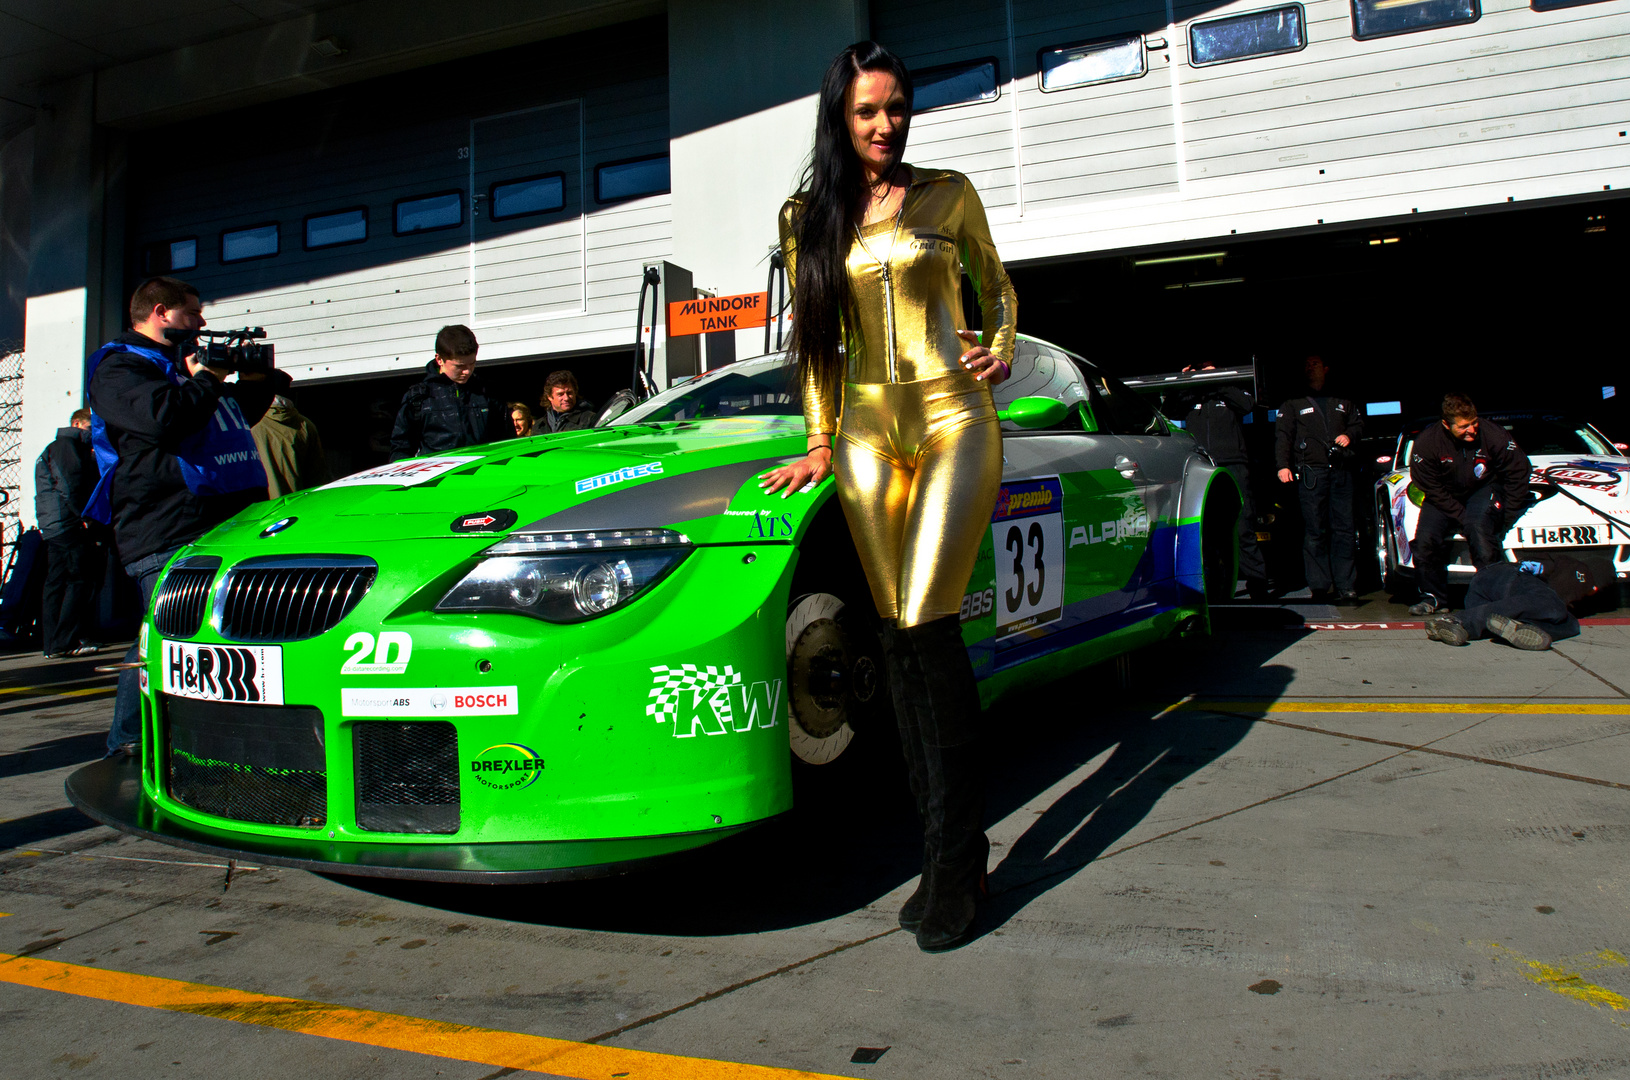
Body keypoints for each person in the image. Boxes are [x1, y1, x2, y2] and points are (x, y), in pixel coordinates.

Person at [759, 41, 1016, 953]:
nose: (885, 125)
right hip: (866, 432)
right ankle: (944, 851)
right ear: (841, 116)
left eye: (897, 107)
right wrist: (819, 443)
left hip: (954, 417)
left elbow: (999, 282)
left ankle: (957, 860)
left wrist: (1004, 344)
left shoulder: (948, 191)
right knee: (896, 640)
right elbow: (817, 344)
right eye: (868, 111)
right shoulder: (810, 216)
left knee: (929, 627)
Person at [87, 276, 288, 756]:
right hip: (164, 526)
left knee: (214, 636)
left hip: (220, 518)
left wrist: (256, 383)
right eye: (192, 314)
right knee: (167, 637)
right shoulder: (119, 368)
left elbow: (222, 417)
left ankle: (207, 741)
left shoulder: (180, 367)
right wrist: (207, 378)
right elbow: (165, 417)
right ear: (159, 312)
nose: (201, 323)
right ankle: (132, 744)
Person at [1407, 392, 1529, 616]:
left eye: (1474, 423)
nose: (1472, 430)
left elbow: (1518, 472)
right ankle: (1432, 598)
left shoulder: (1493, 434)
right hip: (1444, 494)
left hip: (1483, 488)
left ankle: (1492, 597)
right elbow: (1430, 486)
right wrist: (1461, 516)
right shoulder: (1427, 442)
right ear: (1446, 424)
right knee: (1425, 540)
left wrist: (1505, 517)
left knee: (1479, 528)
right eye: (1463, 426)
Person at [1168, 365, 1271, 601]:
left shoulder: (1229, 392)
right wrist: (1186, 381)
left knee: (1243, 526)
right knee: (1207, 530)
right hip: (1202, 468)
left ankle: (1258, 585)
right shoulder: (1192, 395)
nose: (1205, 375)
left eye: (1209, 371)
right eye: (1201, 371)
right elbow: (1170, 410)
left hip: (1234, 464)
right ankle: (1215, 588)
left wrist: (1221, 381)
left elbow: (1248, 405)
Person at [1275, 354, 1363, 602]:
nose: (1310, 366)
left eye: (1314, 363)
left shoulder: (1342, 398)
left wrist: (1348, 435)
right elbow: (1284, 435)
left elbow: (1359, 425)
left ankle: (1347, 585)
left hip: (1341, 470)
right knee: (1315, 530)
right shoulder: (1293, 401)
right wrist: (1283, 465)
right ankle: (1320, 586)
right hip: (1312, 472)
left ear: (1326, 368)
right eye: (1306, 363)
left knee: (1344, 529)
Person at [35, 408, 102, 658]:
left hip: (54, 523)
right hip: (67, 523)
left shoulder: (58, 447)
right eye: (89, 428)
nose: (92, 434)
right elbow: (70, 483)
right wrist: (84, 516)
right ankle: (65, 641)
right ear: (77, 424)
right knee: (78, 580)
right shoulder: (66, 446)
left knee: (57, 582)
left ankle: (54, 644)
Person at [1424, 556, 1595, 650]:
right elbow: (1546, 565)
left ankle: (1460, 626)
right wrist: (1539, 567)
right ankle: (1459, 620)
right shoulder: (1574, 567)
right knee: (1558, 610)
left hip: (1485, 595)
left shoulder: (1572, 572)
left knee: (1569, 622)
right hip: (1509, 576)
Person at [389, 325, 508, 459]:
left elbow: (508, 442)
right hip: (439, 476)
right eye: (459, 366)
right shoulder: (419, 397)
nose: (467, 371)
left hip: (483, 474)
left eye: (472, 363)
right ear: (439, 360)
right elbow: (401, 450)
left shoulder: (488, 393)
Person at [252, 394, 332, 496]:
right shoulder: (306, 425)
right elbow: (318, 475)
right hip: (298, 504)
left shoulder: (250, 425)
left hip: (264, 507)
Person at [533, 370, 597, 433]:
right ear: (549, 397)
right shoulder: (539, 426)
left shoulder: (590, 419)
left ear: (575, 392)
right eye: (560, 394)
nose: (566, 398)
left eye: (569, 393)